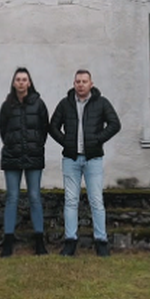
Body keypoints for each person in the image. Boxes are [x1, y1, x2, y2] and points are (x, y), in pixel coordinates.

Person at [48, 69, 121, 257]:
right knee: (71, 201)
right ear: (74, 84)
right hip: (71, 159)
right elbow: (52, 126)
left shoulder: (101, 103)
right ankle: (70, 241)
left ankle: (101, 241)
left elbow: (114, 124)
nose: (80, 84)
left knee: (96, 201)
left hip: (93, 159)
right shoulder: (65, 104)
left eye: (84, 81)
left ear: (91, 84)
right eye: (78, 81)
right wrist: (66, 142)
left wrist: (98, 139)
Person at [0, 66, 50, 257]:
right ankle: (8, 242)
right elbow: (3, 130)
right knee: (12, 198)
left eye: (24, 79)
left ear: (29, 82)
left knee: (35, 197)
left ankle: (39, 242)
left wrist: (34, 146)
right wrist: (13, 145)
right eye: (18, 79)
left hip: (34, 157)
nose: (21, 82)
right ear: (14, 82)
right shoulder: (7, 105)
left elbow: (44, 128)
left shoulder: (39, 104)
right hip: (12, 156)